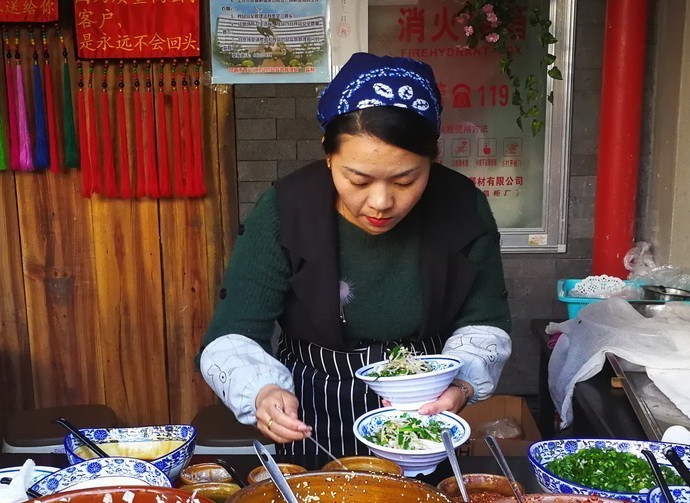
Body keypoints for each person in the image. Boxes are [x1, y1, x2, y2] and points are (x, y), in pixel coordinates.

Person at [199, 53, 512, 457]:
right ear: (328, 155)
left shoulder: (462, 207)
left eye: (405, 179)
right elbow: (233, 333)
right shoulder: (286, 210)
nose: (381, 202)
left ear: (432, 159)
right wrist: (263, 391)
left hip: (425, 409)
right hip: (314, 413)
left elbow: (485, 322)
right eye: (358, 179)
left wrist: (462, 385)